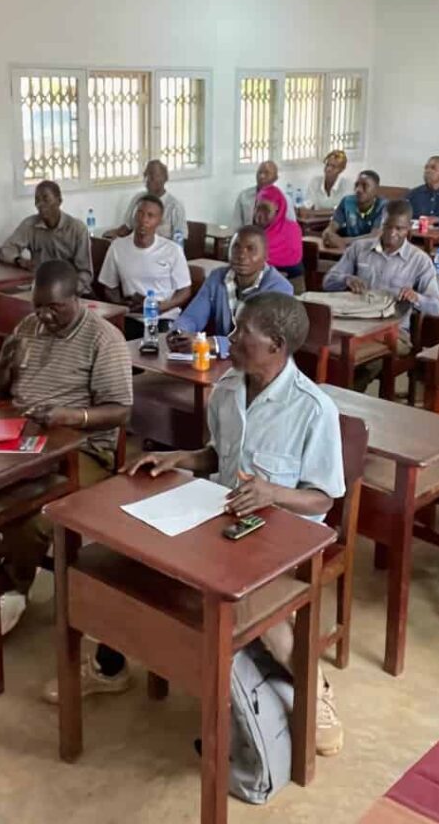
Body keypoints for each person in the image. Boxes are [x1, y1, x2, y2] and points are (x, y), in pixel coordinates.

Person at [128, 293, 346, 755]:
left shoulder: (313, 409)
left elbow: (323, 496)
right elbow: (217, 455)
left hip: (287, 536)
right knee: (142, 559)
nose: (231, 338)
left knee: (251, 597)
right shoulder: (227, 389)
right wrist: (178, 458)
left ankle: (315, 688)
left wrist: (271, 493)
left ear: (277, 345)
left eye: (243, 331)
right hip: (225, 519)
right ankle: (125, 657)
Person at [0, 260, 132, 634]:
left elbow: (120, 412)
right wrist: (3, 363)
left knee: (32, 512)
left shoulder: (103, 339)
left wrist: (68, 417)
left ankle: (11, 587)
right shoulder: (28, 326)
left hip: (81, 450)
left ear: (77, 298)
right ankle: (0, 572)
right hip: (23, 437)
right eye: (39, 306)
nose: (45, 316)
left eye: (55, 307)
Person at [323, 200, 439, 389]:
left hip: (394, 333)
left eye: (399, 229)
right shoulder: (359, 249)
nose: (392, 233)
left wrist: (416, 298)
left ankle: (345, 401)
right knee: (322, 354)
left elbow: (436, 307)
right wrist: (347, 279)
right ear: (381, 224)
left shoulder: (420, 261)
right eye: (387, 226)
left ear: (408, 229)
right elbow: (328, 281)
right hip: (354, 325)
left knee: (361, 364)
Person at [172, 226, 292, 341]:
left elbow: (257, 339)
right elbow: (192, 316)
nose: (241, 255)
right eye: (236, 247)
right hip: (223, 358)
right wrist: (179, 333)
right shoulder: (217, 277)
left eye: (251, 249)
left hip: (260, 360)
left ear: (266, 256)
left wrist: (215, 344)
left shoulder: (280, 289)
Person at [98, 194, 192, 325]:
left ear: (159, 221)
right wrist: (120, 304)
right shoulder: (117, 247)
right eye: (140, 214)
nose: (144, 220)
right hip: (131, 316)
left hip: (163, 317)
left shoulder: (172, 250)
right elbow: (109, 286)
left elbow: (185, 291)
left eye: (150, 216)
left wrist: (161, 307)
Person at [0, 180, 92, 294]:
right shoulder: (30, 225)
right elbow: (5, 250)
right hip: (42, 289)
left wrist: (68, 292)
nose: (40, 204)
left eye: (46, 199)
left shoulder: (77, 229)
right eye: (37, 200)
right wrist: (19, 260)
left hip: (71, 291)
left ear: (59, 201)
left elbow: (85, 273)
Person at [106, 160, 186, 240]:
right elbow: (127, 227)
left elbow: (179, 240)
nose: (147, 180)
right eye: (145, 175)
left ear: (164, 178)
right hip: (136, 245)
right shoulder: (138, 199)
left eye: (151, 175)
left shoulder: (175, 206)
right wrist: (112, 234)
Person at [252, 184, 305, 290]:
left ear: (278, 210)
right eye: (258, 209)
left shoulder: (292, 230)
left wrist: (262, 263)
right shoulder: (252, 233)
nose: (260, 215)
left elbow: (293, 258)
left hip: (292, 284)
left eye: (266, 210)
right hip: (258, 283)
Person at [322, 170, 385, 250]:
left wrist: (344, 241)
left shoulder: (383, 206)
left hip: (370, 251)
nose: (358, 190)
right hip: (346, 250)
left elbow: (375, 236)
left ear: (376, 189)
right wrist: (328, 235)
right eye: (356, 185)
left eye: (365, 186)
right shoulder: (347, 201)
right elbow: (332, 227)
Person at [235, 160, 289, 225]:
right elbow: (236, 224)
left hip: (274, 234)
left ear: (275, 178)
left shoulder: (284, 199)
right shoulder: (244, 196)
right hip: (249, 234)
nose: (262, 176)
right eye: (259, 172)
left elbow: (289, 224)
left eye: (267, 173)